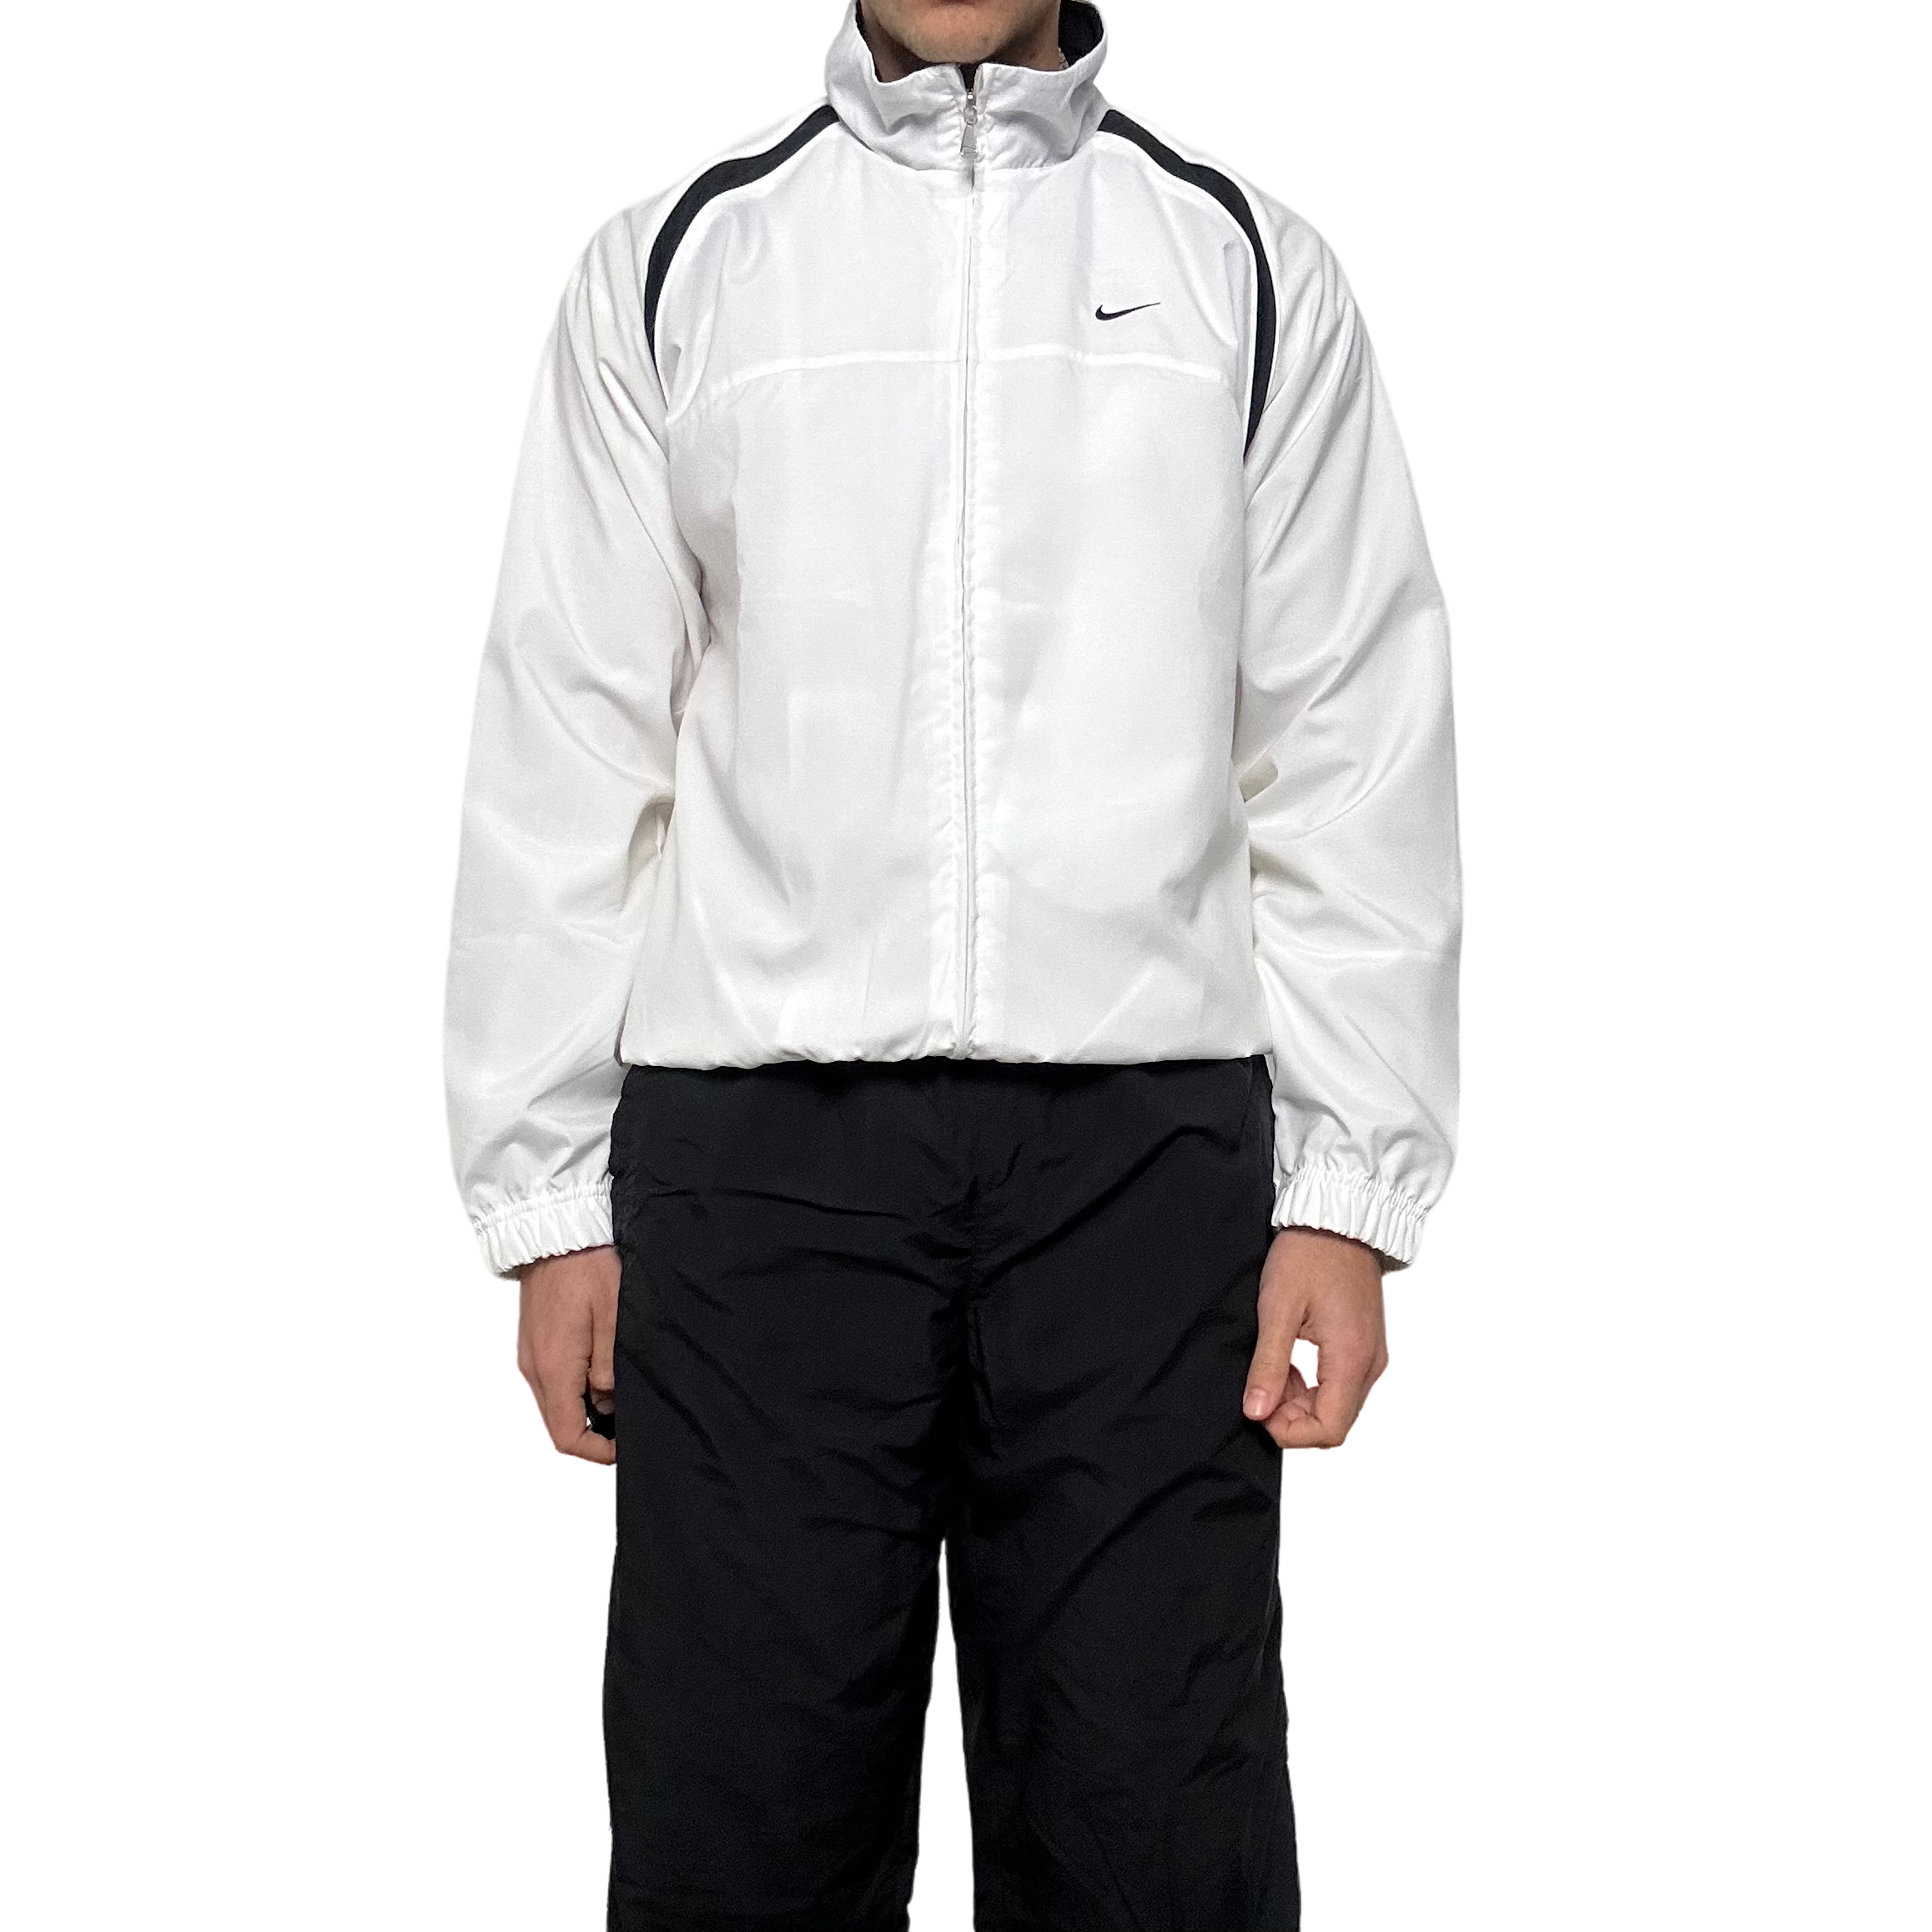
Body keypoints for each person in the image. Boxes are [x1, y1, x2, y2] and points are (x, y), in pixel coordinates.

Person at [438, 0, 1464, 1924]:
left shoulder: (1241, 262)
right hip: (758, 1154)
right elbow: (569, 743)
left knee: (1155, 1811)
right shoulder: (685, 260)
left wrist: (1352, 1190)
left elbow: (1347, 740)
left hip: (1145, 1159)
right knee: (744, 1808)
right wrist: (544, 1194)